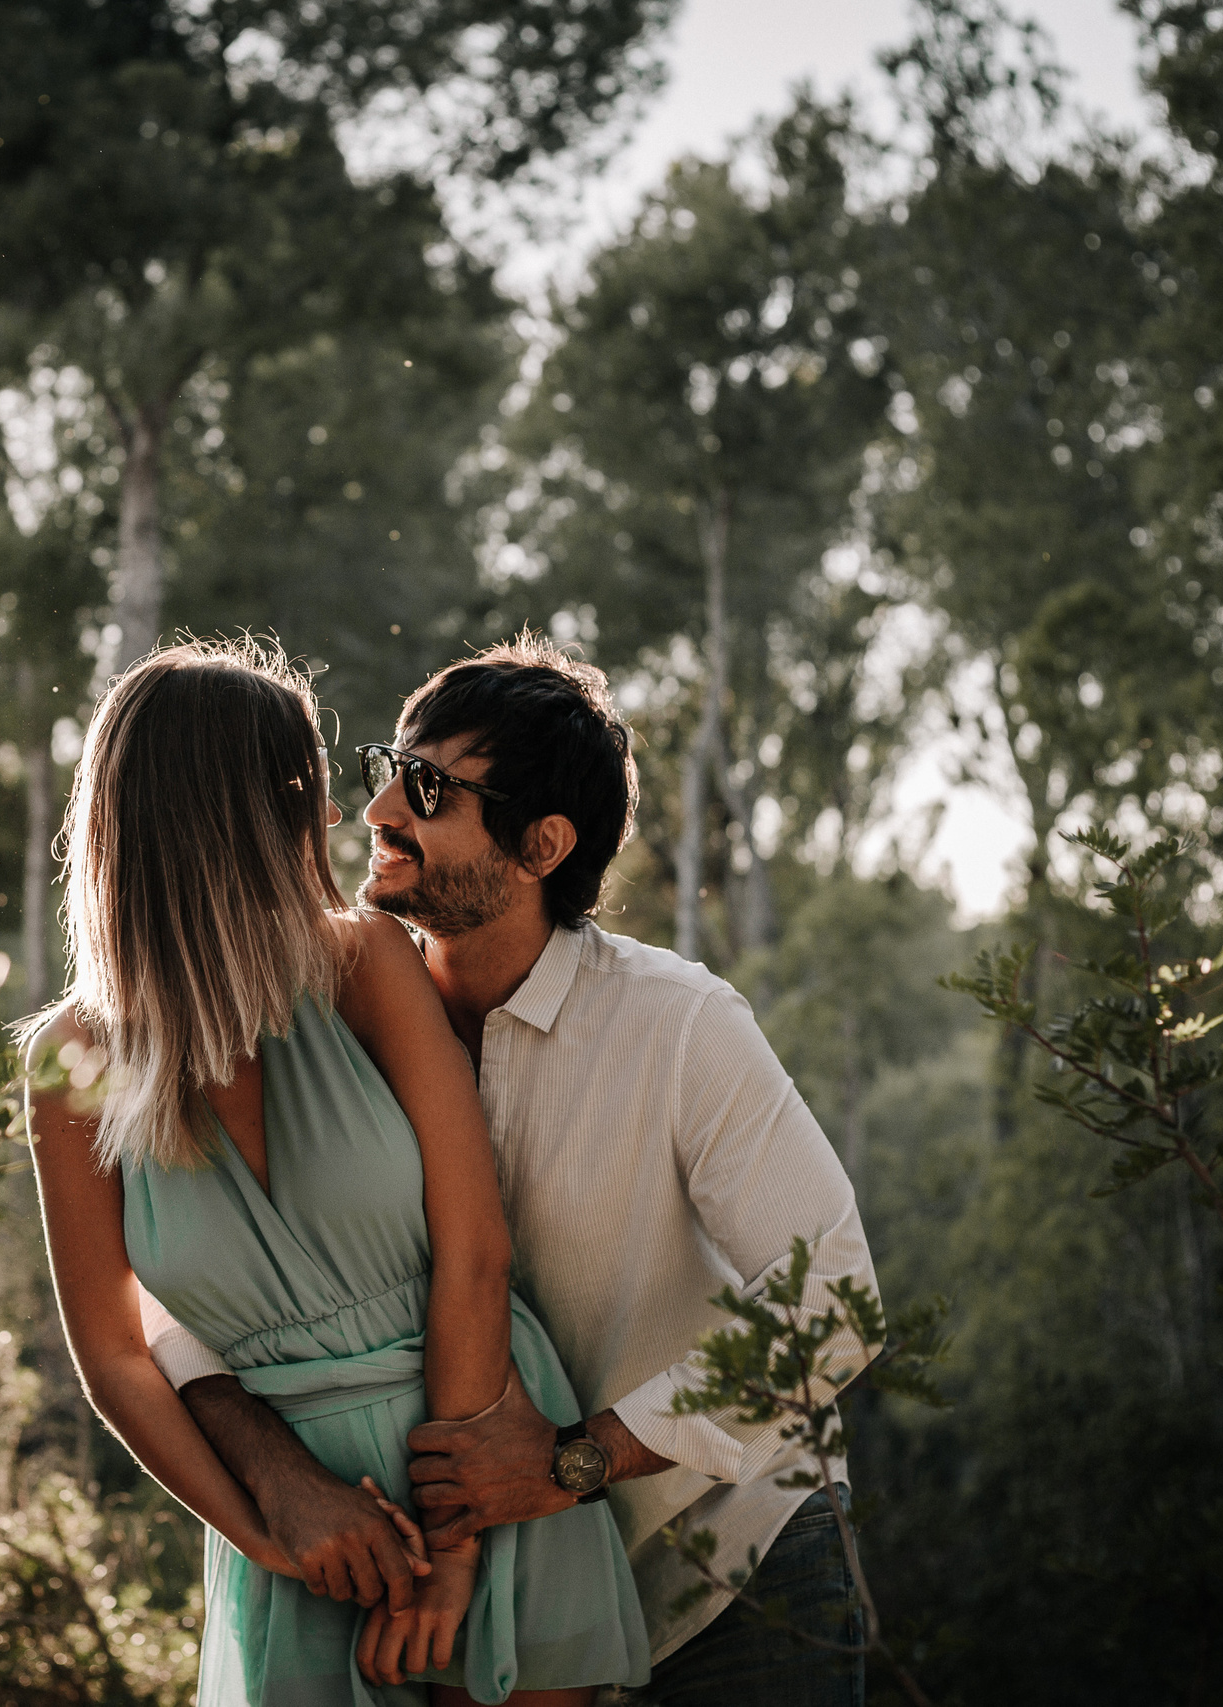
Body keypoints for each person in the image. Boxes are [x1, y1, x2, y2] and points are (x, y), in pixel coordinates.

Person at [141, 637, 880, 1707]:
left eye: (429, 789)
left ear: (541, 845)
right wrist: (272, 1468)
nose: (378, 810)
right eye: (386, 769)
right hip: (485, 1600)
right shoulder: (329, 1028)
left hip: (728, 1570)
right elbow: (187, 1273)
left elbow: (835, 1301)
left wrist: (575, 1460)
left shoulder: (681, 1025)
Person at [21, 638, 653, 1707]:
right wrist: (268, 1538)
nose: (334, 816)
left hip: (477, 1470)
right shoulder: (70, 1063)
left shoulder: (363, 964)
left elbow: (474, 1253)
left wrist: (455, 1543)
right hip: (304, 1553)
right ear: (236, 812)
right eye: (305, 786)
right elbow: (118, 1358)